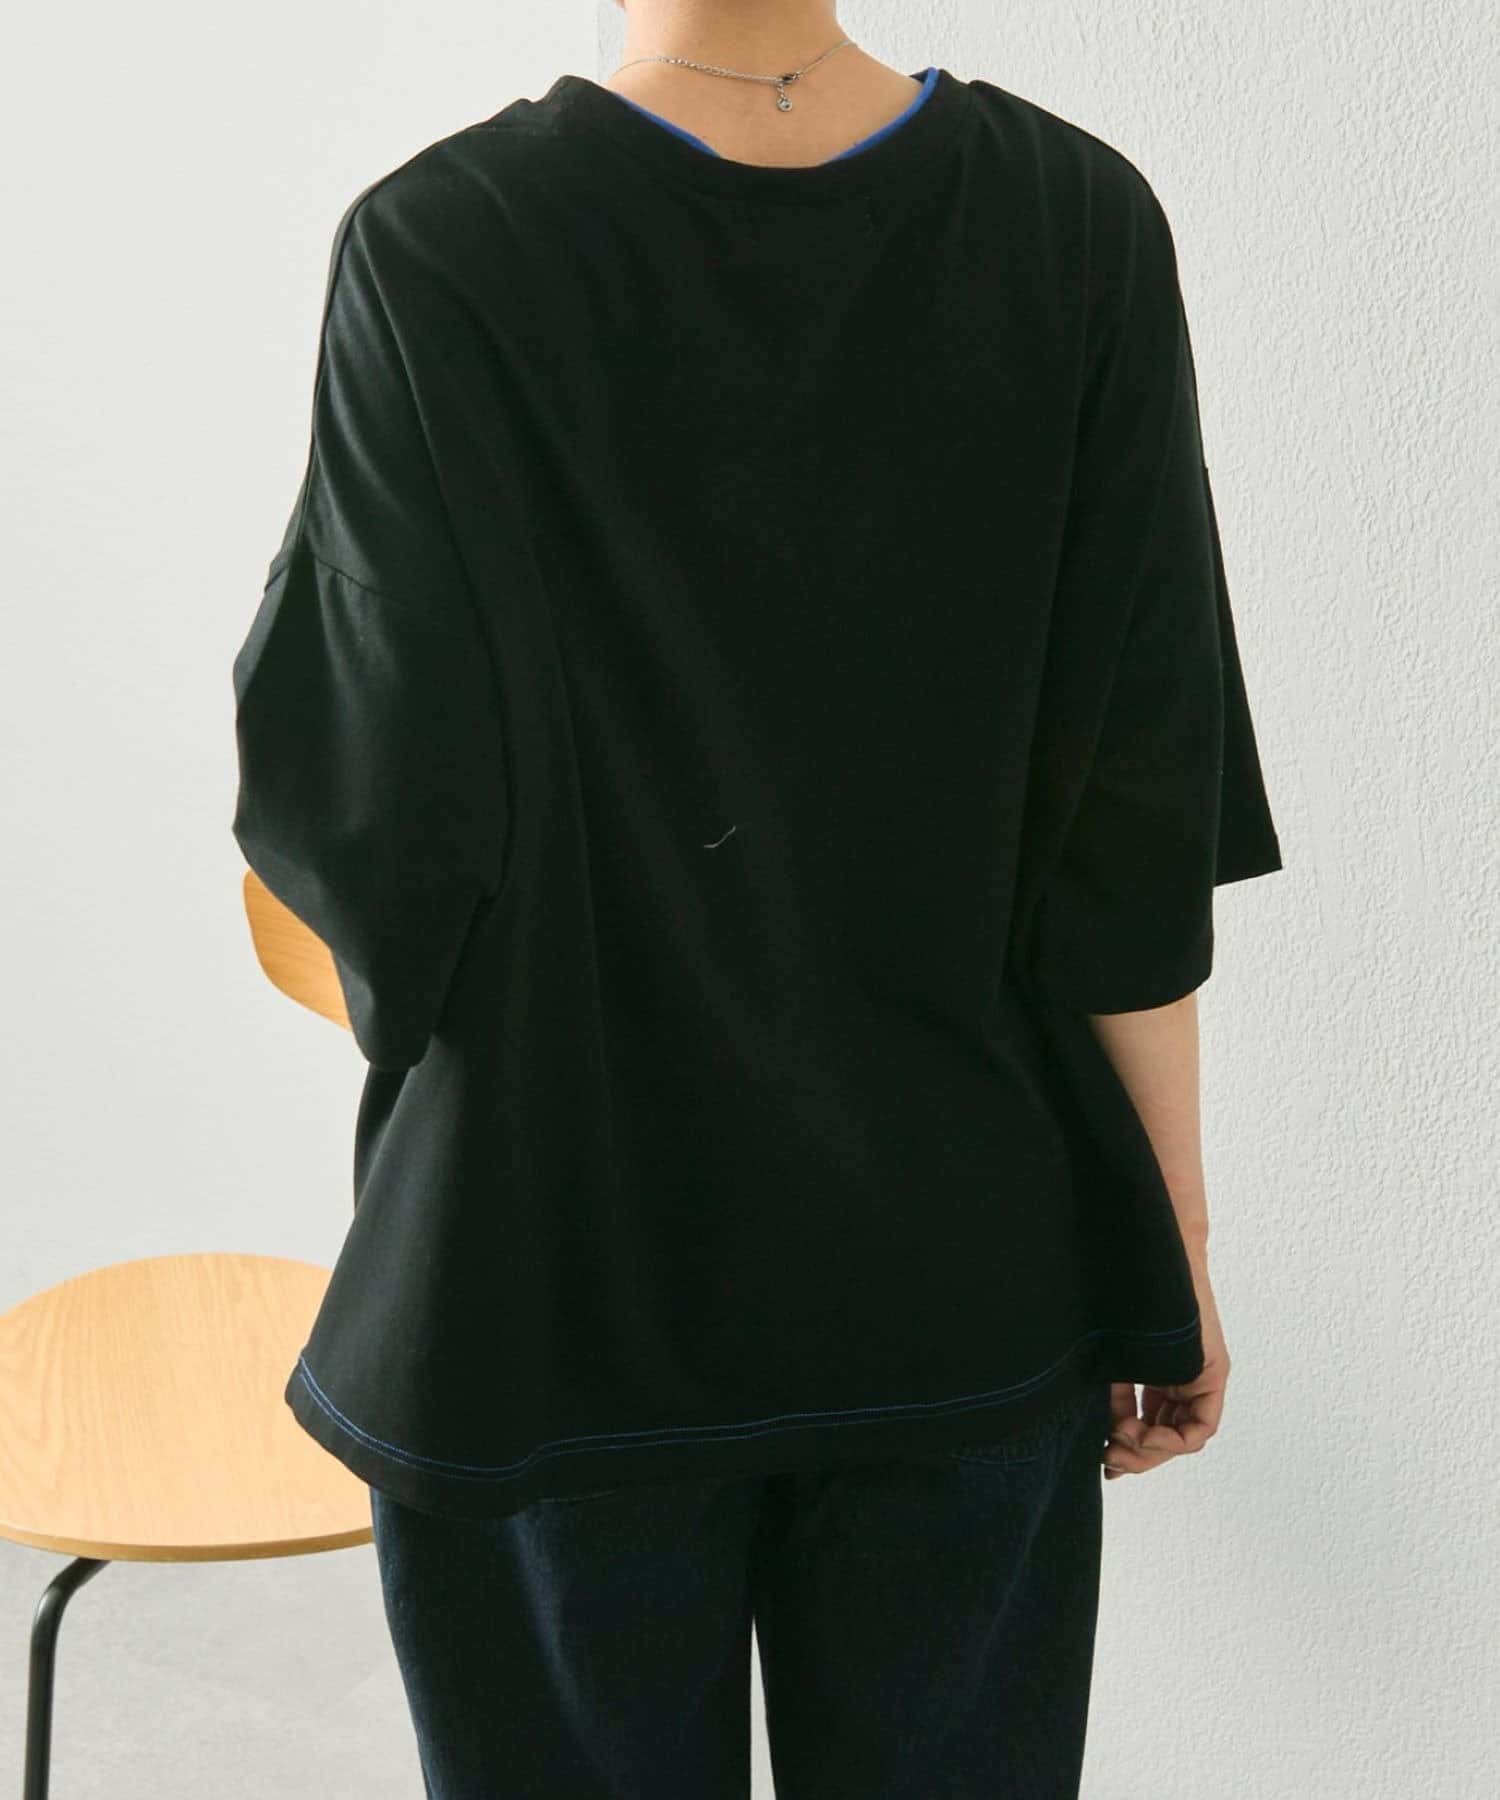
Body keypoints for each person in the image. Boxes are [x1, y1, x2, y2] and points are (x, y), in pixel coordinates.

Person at [229, 3, 1284, 1793]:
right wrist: (1170, 1243)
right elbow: (1134, 827)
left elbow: (376, 847)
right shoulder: (1081, 223)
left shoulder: (442, 243)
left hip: (553, 1281)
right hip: (968, 1278)